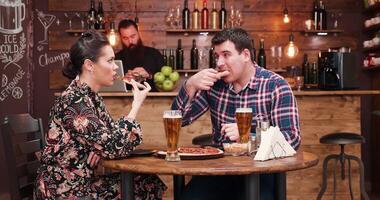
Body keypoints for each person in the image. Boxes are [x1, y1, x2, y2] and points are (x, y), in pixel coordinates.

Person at [171, 28, 301, 200]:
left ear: (245, 55)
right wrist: (190, 85)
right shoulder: (214, 85)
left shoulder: (275, 85)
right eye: (217, 56)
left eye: (226, 54)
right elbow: (179, 120)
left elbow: (292, 139)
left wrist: (248, 135)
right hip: (219, 169)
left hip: (261, 170)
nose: (219, 62)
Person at [35, 30, 167, 199]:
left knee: (147, 180)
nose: (115, 67)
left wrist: (100, 148)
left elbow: (113, 138)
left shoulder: (91, 97)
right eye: (110, 61)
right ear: (90, 65)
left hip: (80, 183)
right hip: (61, 190)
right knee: (146, 184)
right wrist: (135, 105)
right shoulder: (74, 101)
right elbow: (115, 145)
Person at [115, 19, 164, 92]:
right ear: (121, 38)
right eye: (125, 38)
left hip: (152, 99)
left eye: (133, 36)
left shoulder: (154, 54)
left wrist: (149, 75)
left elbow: (165, 80)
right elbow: (111, 82)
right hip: (125, 100)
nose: (130, 41)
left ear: (138, 33)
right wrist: (123, 79)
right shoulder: (117, 58)